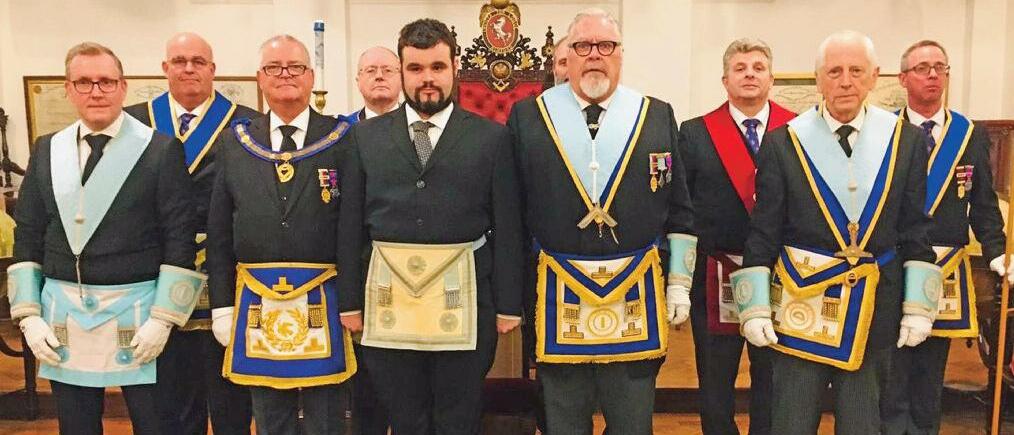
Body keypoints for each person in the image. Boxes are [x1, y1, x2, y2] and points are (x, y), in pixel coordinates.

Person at [733, 30, 938, 435]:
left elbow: (915, 227)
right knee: (790, 423)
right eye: (834, 72)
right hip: (800, 306)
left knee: (863, 424)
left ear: (874, 76)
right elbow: (764, 230)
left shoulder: (906, 142)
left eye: (856, 71)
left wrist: (918, 306)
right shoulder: (783, 143)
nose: (845, 82)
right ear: (818, 79)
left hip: (874, 309)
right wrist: (754, 306)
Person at [507, 8, 696, 434]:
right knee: (564, 422)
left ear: (620, 54)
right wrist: (512, 296)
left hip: (635, 293)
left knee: (632, 422)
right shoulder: (529, 116)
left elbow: (679, 208)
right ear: (567, 56)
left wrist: (679, 283)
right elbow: (512, 214)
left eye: (605, 45)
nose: (594, 54)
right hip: (557, 295)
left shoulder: (655, 114)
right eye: (583, 46)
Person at [335, 18, 524, 435]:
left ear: (455, 67)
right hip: (388, 303)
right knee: (406, 418)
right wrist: (349, 302)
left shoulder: (491, 139)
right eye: (416, 68)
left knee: (459, 416)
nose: (427, 79)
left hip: (467, 300)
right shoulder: (364, 138)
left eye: (437, 67)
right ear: (402, 71)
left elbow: (509, 225)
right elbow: (349, 226)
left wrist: (509, 304)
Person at [8, 41, 203, 435]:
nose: (96, 91)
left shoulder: (160, 150)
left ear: (122, 87)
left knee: (157, 425)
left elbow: (179, 238)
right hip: (64, 316)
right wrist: (28, 315)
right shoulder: (47, 149)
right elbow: (28, 232)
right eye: (84, 82)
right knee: (76, 426)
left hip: (139, 315)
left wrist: (164, 319)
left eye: (106, 82)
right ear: (68, 89)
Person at [206, 34, 357, 435]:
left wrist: (353, 301)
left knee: (327, 418)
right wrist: (222, 305)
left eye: (295, 67)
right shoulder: (236, 141)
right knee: (270, 416)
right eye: (274, 67)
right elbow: (219, 231)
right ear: (260, 77)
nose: (285, 74)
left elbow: (353, 227)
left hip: (326, 299)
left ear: (311, 77)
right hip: (257, 299)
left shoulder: (342, 138)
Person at [124, 32, 258, 435]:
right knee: (171, 396)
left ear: (213, 69)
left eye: (198, 61)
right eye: (179, 61)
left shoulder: (246, 122)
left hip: (226, 274)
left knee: (231, 396)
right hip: (155, 274)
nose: (188, 69)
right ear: (164, 68)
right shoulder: (134, 122)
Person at [880, 39, 1011, 435]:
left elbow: (983, 202)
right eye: (923, 68)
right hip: (894, 263)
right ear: (903, 78)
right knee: (892, 368)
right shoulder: (884, 129)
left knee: (930, 370)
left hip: (943, 269)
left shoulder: (969, 134)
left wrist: (998, 251)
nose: (933, 74)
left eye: (941, 67)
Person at [679, 37, 795, 435]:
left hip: (780, 274)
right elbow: (684, 207)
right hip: (715, 276)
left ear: (771, 78)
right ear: (725, 80)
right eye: (740, 68)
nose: (749, 75)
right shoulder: (695, 133)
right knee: (715, 382)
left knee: (773, 378)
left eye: (758, 68)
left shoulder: (798, 129)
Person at [351, 46, 401, 121]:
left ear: (402, 80)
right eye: (371, 71)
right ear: (358, 82)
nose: (379, 76)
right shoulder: (346, 127)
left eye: (388, 70)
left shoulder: (416, 123)